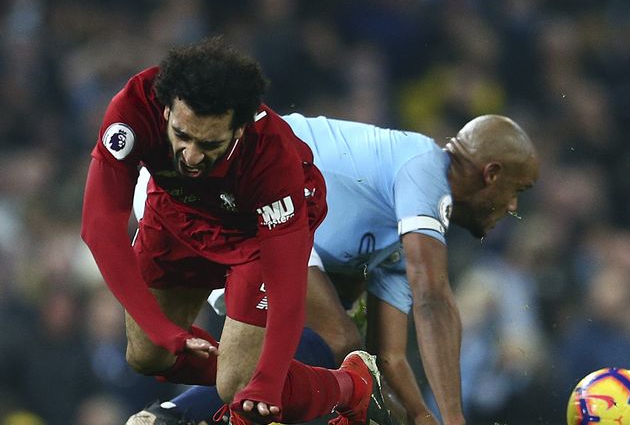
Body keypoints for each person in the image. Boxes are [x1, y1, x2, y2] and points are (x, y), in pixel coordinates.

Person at [129, 113, 540, 425]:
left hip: (230, 201)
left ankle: (173, 414)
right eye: (517, 191)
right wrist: (453, 419)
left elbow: (386, 359)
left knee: (336, 354)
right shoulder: (425, 169)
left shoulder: (404, 233)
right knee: (336, 340)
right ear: (492, 174)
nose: (513, 206)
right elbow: (432, 300)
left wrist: (418, 416)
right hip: (221, 182)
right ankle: (177, 416)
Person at [80, 37, 392, 425]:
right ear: (166, 110)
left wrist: (269, 380)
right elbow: (99, 228)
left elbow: (286, 285)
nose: (191, 155)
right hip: (177, 210)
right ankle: (260, 372)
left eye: (208, 143)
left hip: (251, 232)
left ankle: (352, 388)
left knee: (238, 387)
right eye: (181, 135)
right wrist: (160, 330)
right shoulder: (134, 108)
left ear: (239, 130)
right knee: (147, 355)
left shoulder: (273, 159)